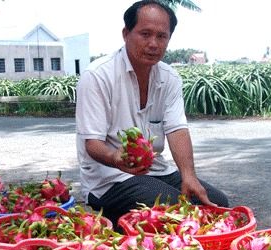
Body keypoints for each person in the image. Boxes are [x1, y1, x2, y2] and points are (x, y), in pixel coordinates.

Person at [75, 0, 228, 227]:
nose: (153, 44)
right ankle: (121, 228)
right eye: (145, 34)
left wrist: (189, 176)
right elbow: (92, 142)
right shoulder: (98, 75)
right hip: (110, 179)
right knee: (177, 212)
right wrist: (114, 158)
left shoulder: (169, 77)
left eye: (161, 36)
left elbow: (177, 129)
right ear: (126, 34)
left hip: (156, 171)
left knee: (217, 204)